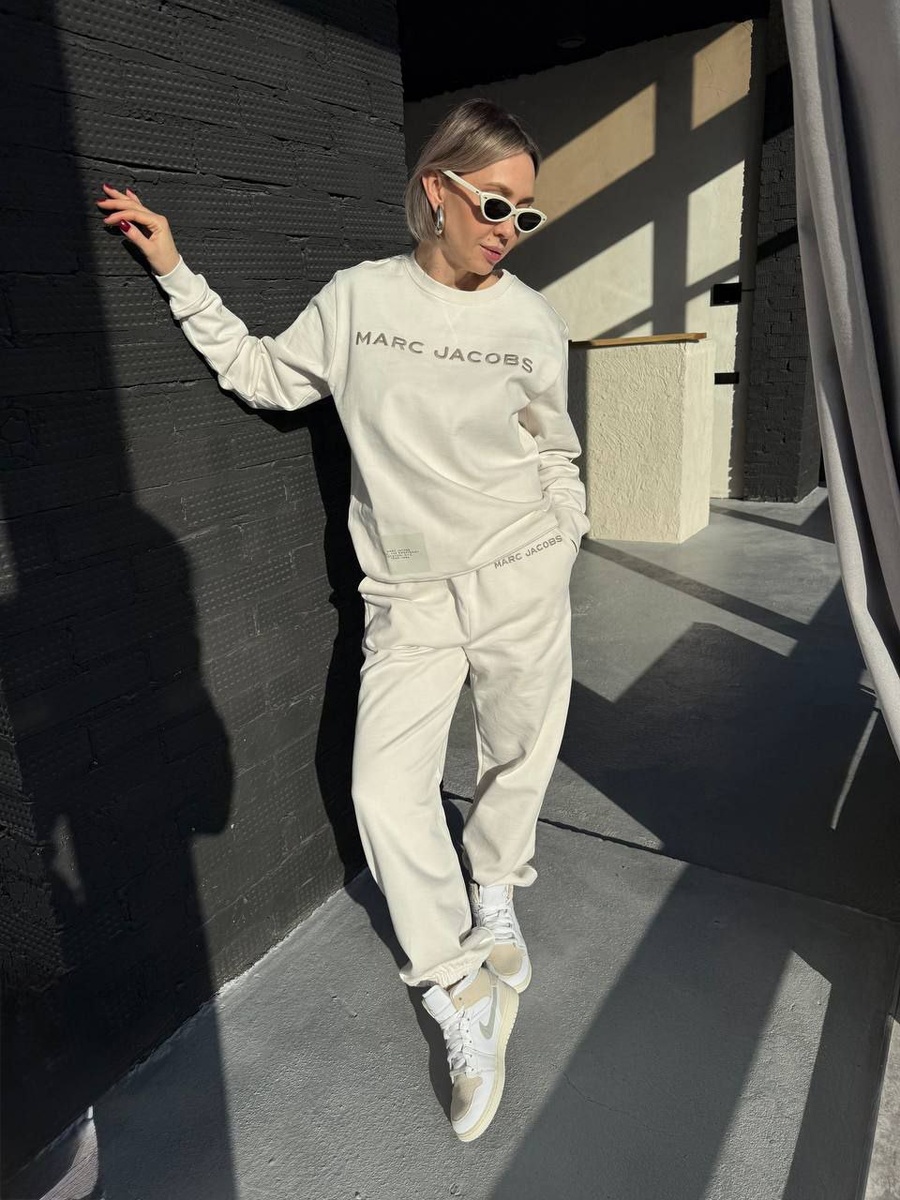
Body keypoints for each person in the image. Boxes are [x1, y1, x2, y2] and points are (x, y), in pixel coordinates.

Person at [94, 97, 590, 1143]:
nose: (509, 229)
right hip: (408, 596)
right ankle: (458, 988)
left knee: (519, 750)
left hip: (520, 575)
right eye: (495, 204)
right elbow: (265, 377)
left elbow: (555, 444)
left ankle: (495, 889)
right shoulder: (361, 300)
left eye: (527, 215)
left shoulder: (530, 322)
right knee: (383, 789)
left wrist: (564, 538)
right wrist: (176, 271)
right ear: (437, 190)